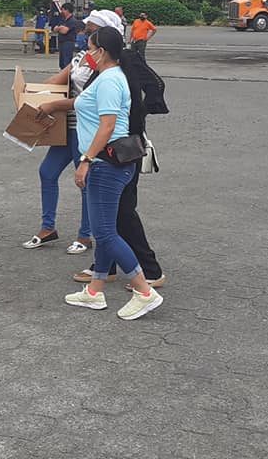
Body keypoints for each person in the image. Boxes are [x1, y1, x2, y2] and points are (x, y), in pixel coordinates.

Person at [56, 27, 163, 320]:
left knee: (104, 232)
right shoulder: (109, 77)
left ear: (102, 51)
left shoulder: (109, 81)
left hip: (106, 164)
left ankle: (144, 291)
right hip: (109, 164)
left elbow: (108, 126)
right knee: (105, 230)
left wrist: (86, 160)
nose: (87, 54)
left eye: (90, 48)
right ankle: (94, 291)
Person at [70, 46, 171, 289]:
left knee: (123, 212)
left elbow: (156, 85)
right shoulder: (104, 68)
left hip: (121, 150)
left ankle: (150, 271)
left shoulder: (124, 62)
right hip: (108, 148)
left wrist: (137, 117)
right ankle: (104, 271)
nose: (88, 48)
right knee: (110, 216)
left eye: (91, 42)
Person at [25, 36, 97, 255]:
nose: (85, 31)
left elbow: (88, 100)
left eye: (91, 27)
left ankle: (85, 235)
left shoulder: (105, 63)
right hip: (65, 125)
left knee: (83, 181)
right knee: (47, 172)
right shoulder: (81, 56)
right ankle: (48, 228)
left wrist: (53, 104)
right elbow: (56, 80)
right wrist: (32, 94)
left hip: (84, 128)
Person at [53, 2, 84, 69]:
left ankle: (67, 74)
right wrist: (60, 28)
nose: (62, 12)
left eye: (63, 10)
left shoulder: (72, 21)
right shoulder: (62, 19)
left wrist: (60, 28)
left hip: (68, 43)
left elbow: (64, 31)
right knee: (61, 63)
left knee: (66, 62)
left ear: (67, 10)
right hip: (61, 42)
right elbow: (55, 29)